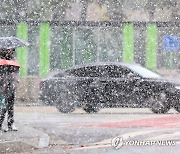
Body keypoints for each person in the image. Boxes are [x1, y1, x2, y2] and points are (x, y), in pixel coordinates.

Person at [0, 48, 19, 132]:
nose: (10, 51)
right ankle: (0, 123)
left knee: (10, 106)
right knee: (3, 106)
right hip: (2, 87)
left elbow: (16, 71)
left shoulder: (12, 59)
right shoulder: (1, 59)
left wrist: (15, 80)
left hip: (11, 86)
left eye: (11, 50)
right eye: (8, 49)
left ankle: (10, 123)